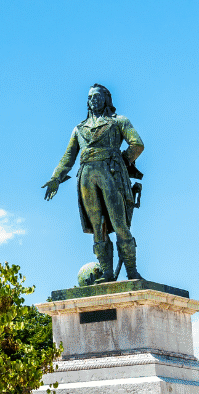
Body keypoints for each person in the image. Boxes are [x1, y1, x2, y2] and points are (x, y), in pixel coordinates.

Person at [42, 83, 146, 281]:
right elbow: (68, 157)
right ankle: (107, 272)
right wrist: (55, 178)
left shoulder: (118, 121)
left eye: (97, 96)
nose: (93, 100)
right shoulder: (79, 129)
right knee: (98, 228)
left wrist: (122, 161)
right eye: (90, 97)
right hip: (86, 178)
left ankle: (132, 271)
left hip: (111, 174)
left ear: (106, 99)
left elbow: (137, 144)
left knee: (120, 224)